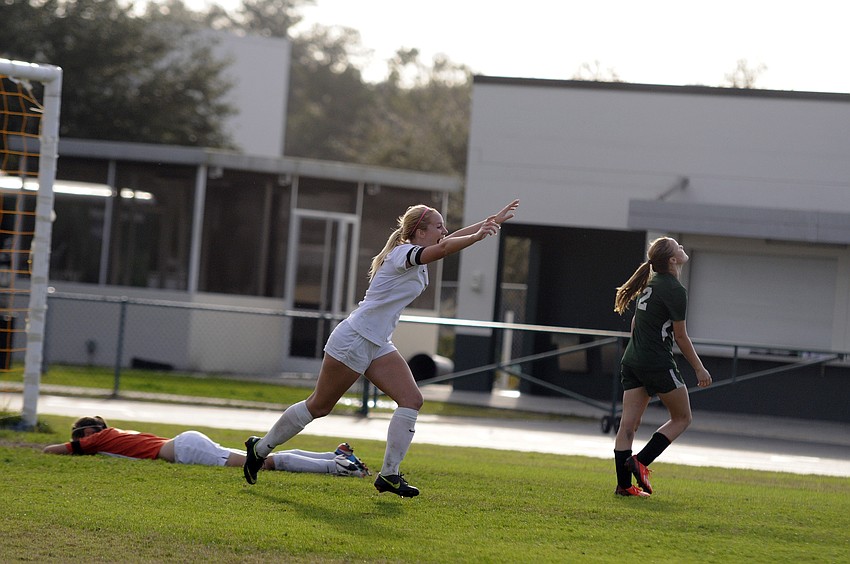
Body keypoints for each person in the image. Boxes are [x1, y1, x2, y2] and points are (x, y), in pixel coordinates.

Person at [243, 199, 521, 497]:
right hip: (355, 337)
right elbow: (443, 248)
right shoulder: (404, 253)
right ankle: (259, 449)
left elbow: (447, 242)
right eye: (439, 226)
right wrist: (478, 236)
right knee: (319, 406)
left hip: (376, 342)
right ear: (419, 231)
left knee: (412, 400)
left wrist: (488, 222)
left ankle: (389, 475)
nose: (445, 230)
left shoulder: (417, 250)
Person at [612, 237, 712, 497]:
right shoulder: (675, 289)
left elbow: (636, 323)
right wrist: (699, 369)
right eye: (678, 247)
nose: (682, 248)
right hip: (656, 362)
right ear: (672, 260)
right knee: (682, 417)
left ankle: (624, 486)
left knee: (628, 425)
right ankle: (640, 461)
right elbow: (681, 336)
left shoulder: (649, 284)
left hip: (633, 359)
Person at [43, 416, 370, 478]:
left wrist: (71, 444)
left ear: (87, 433)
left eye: (80, 436)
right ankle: (334, 456)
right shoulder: (110, 434)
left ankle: (335, 466)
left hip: (185, 450)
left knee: (260, 463)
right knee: (254, 458)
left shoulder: (96, 440)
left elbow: (53, 451)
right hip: (185, 444)